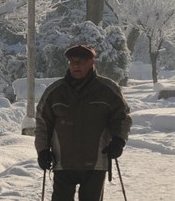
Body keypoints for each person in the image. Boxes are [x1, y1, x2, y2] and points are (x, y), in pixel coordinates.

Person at [36, 44, 132, 201]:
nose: (75, 65)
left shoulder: (108, 90)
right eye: (72, 61)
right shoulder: (55, 92)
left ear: (91, 63)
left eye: (80, 61)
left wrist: (119, 140)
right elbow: (42, 124)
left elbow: (122, 117)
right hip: (62, 162)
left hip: (96, 163)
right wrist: (42, 151)